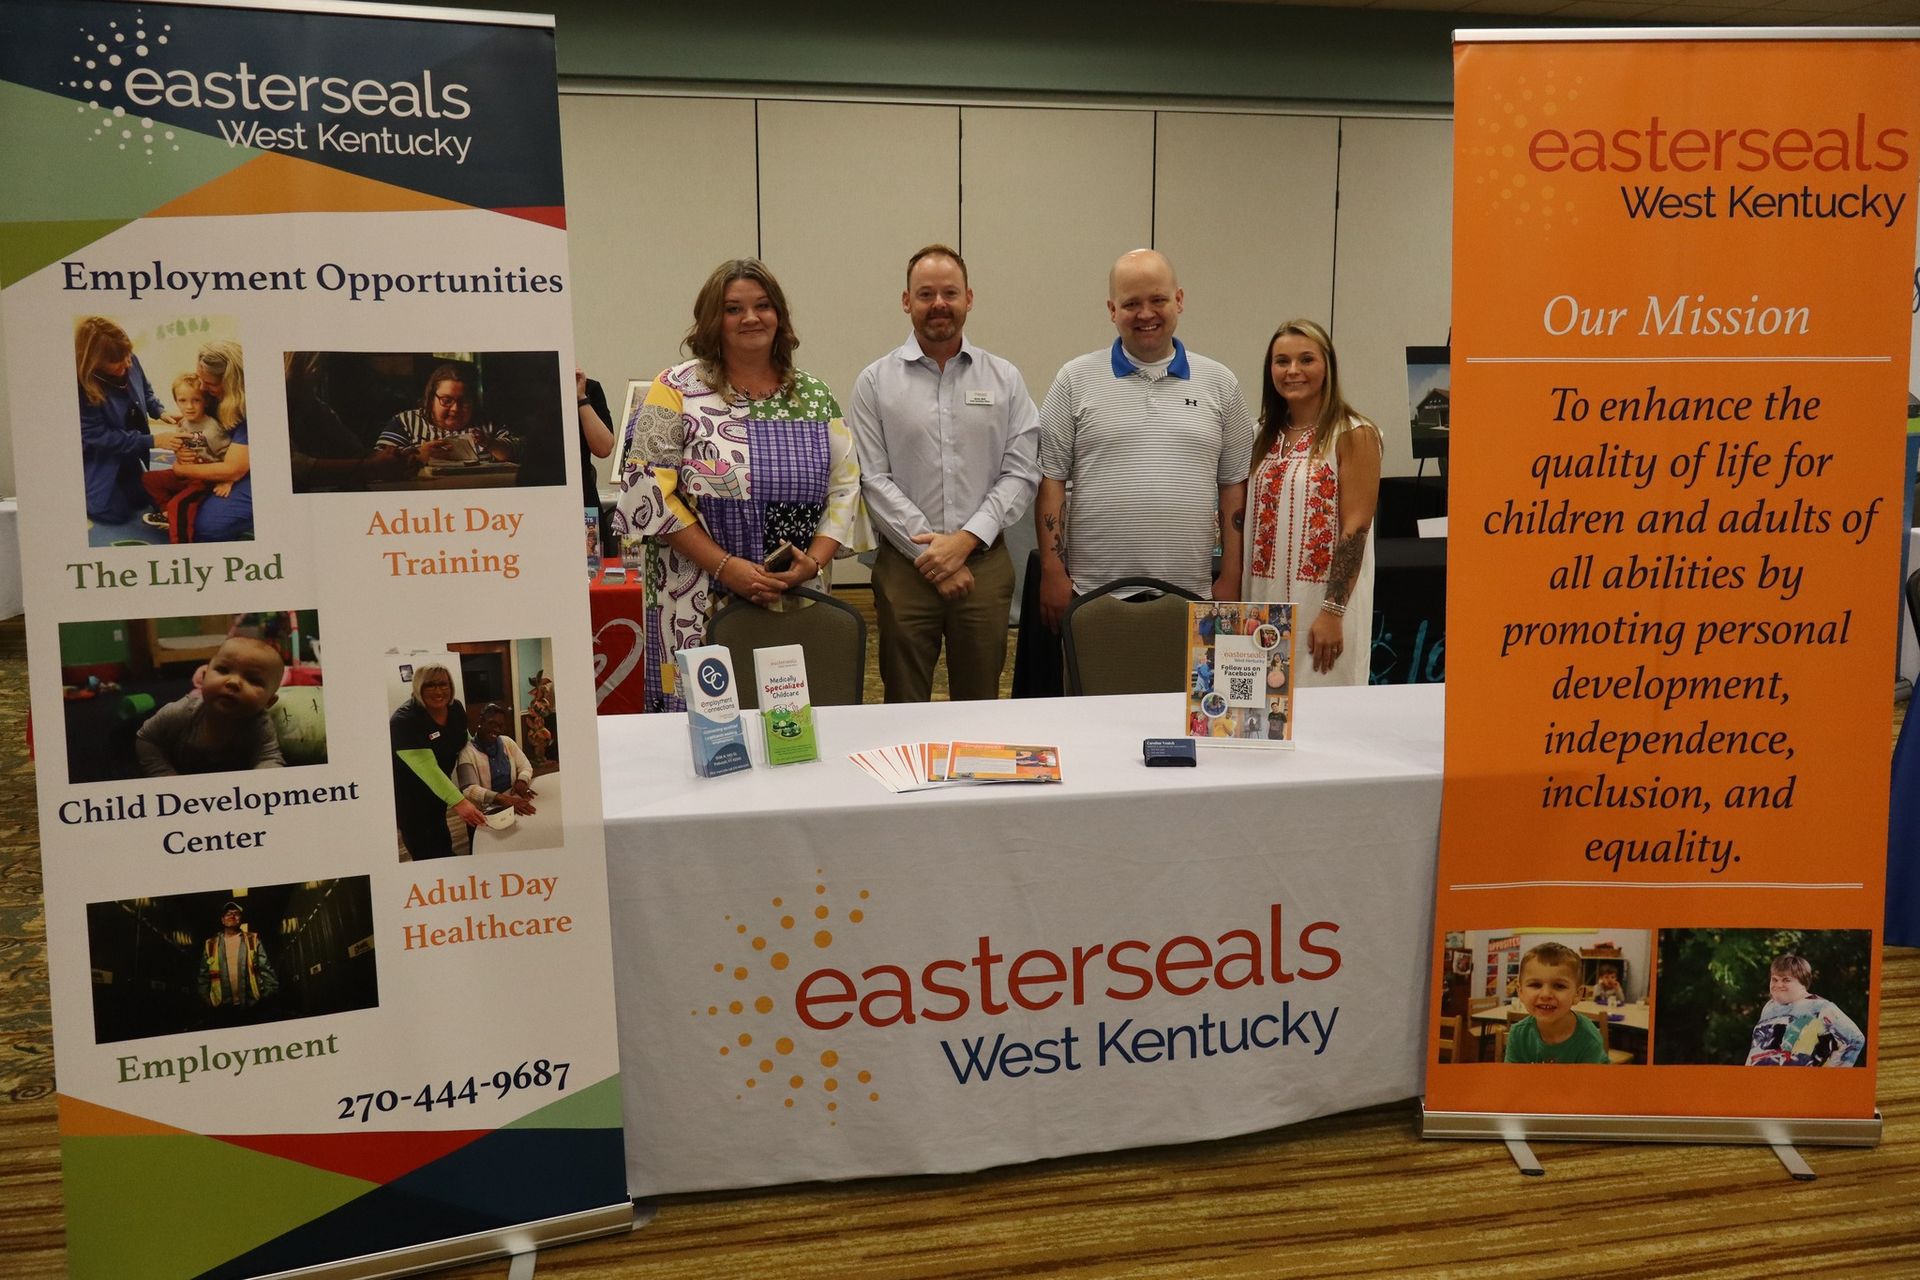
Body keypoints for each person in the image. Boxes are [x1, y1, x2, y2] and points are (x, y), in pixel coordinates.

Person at [614, 258, 871, 711]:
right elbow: (647, 492)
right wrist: (726, 567)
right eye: (733, 308)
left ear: (779, 316)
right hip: (694, 598)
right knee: (705, 724)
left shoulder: (815, 396)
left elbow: (845, 488)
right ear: (712, 320)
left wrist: (812, 563)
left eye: (763, 305)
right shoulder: (673, 389)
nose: (750, 317)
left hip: (794, 593)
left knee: (788, 721)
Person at [848, 244, 1039, 702]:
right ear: (906, 301)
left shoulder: (1005, 379)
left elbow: (1021, 472)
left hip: (984, 564)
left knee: (979, 702)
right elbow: (872, 479)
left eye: (950, 293)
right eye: (926, 293)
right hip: (905, 568)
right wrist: (934, 556)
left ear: (968, 298)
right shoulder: (874, 382)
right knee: (903, 701)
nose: (939, 303)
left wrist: (965, 541)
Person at [1035, 250, 1255, 632]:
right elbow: (1050, 480)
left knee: (1182, 676)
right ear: (1112, 309)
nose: (1146, 314)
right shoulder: (1073, 379)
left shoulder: (1221, 383)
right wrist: (1053, 572)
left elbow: (1234, 485)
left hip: (1193, 595)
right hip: (1093, 593)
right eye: (1131, 303)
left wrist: (1232, 574)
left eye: (1158, 300)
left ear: (1179, 300)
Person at [1243, 319, 1382, 685]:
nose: (1293, 371)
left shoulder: (1353, 434)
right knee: (1264, 707)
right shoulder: (1260, 435)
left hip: (1323, 610)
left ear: (1327, 366)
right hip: (1262, 606)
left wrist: (1332, 612)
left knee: (1325, 707)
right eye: (1282, 361)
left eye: (1306, 359)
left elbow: (1356, 528)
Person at [74, 315, 185, 524]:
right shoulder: (82, 388)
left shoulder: (129, 358)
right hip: (103, 456)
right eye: (117, 362)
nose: (127, 363)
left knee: (142, 499)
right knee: (115, 514)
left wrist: (160, 412)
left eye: (128, 356)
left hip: (131, 452)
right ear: (94, 362)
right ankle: (82, 488)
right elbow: (98, 437)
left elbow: (146, 391)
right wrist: (153, 441)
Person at [134, 636, 286, 776]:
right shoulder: (181, 711)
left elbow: (269, 758)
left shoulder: (260, 724)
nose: (233, 682)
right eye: (223, 670)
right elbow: (147, 739)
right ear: (204, 676)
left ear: (269, 702)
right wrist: (164, 773)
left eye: (253, 680)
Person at [390, 663, 486, 860]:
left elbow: (465, 740)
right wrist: (459, 801)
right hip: (410, 797)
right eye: (430, 685)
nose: (438, 691)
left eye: (443, 684)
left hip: (439, 790)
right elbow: (426, 767)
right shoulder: (405, 721)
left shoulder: (455, 708)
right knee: (423, 847)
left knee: (441, 834)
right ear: (418, 687)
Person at [170, 341, 254, 542]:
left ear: (231, 383)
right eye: (201, 379)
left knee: (205, 528)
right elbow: (201, 431)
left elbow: (233, 469)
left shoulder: (250, 407)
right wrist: (184, 447)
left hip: (253, 471)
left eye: (211, 384)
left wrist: (181, 469)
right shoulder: (209, 394)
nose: (202, 387)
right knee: (158, 487)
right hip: (226, 461)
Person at [140, 371, 235, 539]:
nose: (189, 406)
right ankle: (168, 514)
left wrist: (228, 481)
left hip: (205, 478)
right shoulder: (183, 423)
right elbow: (182, 446)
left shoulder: (212, 430)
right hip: (186, 472)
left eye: (196, 400)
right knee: (149, 479)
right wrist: (178, 452)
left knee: (179, 504)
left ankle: (181, 542)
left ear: (205, 401)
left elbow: (228, 457)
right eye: (182, 400)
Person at [375, 362, 519, 463]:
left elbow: (518, 450)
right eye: (446, 400)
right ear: (431, 399)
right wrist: (419, 455)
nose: (455, 408)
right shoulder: (406, 422)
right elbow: (378, 459)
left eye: (464, 401)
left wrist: (491, 443)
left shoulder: (487, 422)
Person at [1746, 954, 1866, 1067]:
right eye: (1774, 979)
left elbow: (1855, 1040)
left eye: (1786, 980)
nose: (1778, 984)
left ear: (1802, 982)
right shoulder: (1770, 1007)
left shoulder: (1820, 1007)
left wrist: (1830, 1074)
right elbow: (1757, 1049)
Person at [1504, 942, 1610, 1064]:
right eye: (1535, 985)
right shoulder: (1518, 1034)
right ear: (1520, 992)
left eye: (1559, 986)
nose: (1545, 994)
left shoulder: (1589, 1039)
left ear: (1577, 994)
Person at [199, 900, 278, 1025]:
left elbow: (266, 969)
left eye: (236, 913)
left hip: (251, 1005)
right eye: (228, 914)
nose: (232, 916)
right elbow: (204, 976)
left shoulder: (253, 940)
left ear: (240, 919)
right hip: (221, 1007)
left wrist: (266, 997)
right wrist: (206, 1000)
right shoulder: (211, 944)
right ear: (222, 920)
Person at [456, 703, 537, 816]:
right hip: (487, 809)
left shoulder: (507, 742)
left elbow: (525, 765)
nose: (496, 729)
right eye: (492, 723)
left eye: (500, 726)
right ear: (481, 721)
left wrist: (522, 780)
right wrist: (502, 799)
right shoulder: (466, 752)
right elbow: (468, 789)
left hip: (513, 799)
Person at [577, 367, 616, 513]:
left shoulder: (589, 388)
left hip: (582, 492)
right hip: (531, 490)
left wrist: (581, 398)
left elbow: (604, 449)